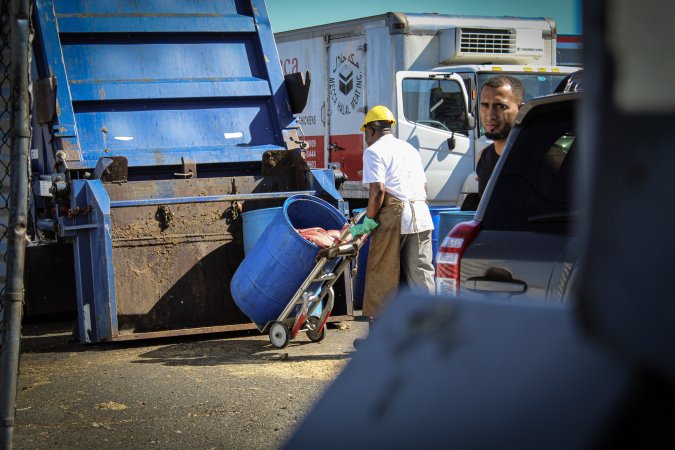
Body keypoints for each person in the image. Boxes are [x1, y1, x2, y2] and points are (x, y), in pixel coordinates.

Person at [349, 105, 435, 325]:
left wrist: (368, 221)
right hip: (422, 217)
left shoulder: (373, 151)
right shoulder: (409, 149)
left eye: (365, 134)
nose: (366, 138)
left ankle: (380, 338)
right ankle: (429, 333)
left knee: (382, 275)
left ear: (370, 131)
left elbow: (377, 191)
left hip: (395, 219)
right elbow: (424, 189)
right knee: (421, 276)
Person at [476, 75, 525, 197]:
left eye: (500, 107)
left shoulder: (537, 156)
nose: (490, 115)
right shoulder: (483, 157)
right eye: (485, 105)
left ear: (521, 110)